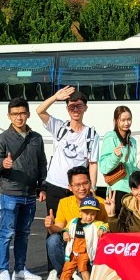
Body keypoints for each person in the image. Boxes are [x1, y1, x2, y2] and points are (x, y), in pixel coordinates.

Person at [0, 97, 48, 280]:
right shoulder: (2, 139)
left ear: (28, 114)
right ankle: (3, 271)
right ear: (9, 116)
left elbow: (42, 164)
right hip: (10, 192)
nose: (19, 117)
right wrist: (3, 164)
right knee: (6, 233)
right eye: (15, 114)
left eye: (22, 113)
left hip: (30, 193)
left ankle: (20, 269)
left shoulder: (36, 138)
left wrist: (42, 186)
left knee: (24, 233)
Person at [35, 86, 99, 218]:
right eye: (72, 107)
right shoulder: (59, 127)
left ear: (85, 108)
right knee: (54, 227)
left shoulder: (91, 135)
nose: (75, 110)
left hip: (77, 188)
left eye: (79, 106)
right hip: (55, 187)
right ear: (67, 109)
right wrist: (55, 97)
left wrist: (92, 187)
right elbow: (39, 111)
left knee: (76, 227)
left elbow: (93, 163)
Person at [46, 195, 108, 280]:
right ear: (80, 212)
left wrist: (102, 229)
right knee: (66, 273)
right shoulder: (74, 221)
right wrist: (65, 233)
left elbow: (105, 225)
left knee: (84, 271)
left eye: (92, 214)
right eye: (86, 213)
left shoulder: (96, 224)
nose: (89, 217)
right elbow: (66, 228)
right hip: (72, 253)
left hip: (85, 253)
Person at [44, 166, 94, 280]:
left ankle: (85, 273)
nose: (82, 188)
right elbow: (58, 228)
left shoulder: (100, 203)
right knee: (53, 240)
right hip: (72, 247)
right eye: (77, 185)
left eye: (85, 183)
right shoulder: (64, 202)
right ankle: (66, 276)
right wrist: (50, 226)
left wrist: (111, 215)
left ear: (90, 183)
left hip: (91, 251)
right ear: (70, 187)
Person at [99, 106, 139, 196]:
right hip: (117, 188)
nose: (127, 123)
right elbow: (103, 167)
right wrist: (115, 156)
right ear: (116, 121)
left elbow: (134, 165)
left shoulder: (132, 141)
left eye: (129, 119)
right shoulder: (111, 137)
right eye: (123, 120)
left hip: (132, 189)